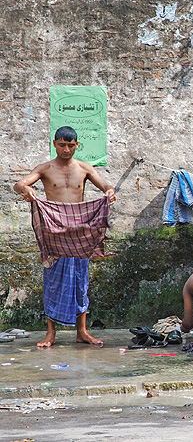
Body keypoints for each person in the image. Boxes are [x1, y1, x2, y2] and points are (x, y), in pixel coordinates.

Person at [13, 126, 116, 348]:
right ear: (54, 143)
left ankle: (82, 332)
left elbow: (105, 185)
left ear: (77, 145)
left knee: (81, 281)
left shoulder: (84, 169)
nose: (66, 149)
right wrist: (26, 190)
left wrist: (109, 191)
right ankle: (50, 334)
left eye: (71, 145)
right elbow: (19, 184)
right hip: (55, 231)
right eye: (62, 145)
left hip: (80, 233)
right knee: (53, 282)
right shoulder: (46, 168)